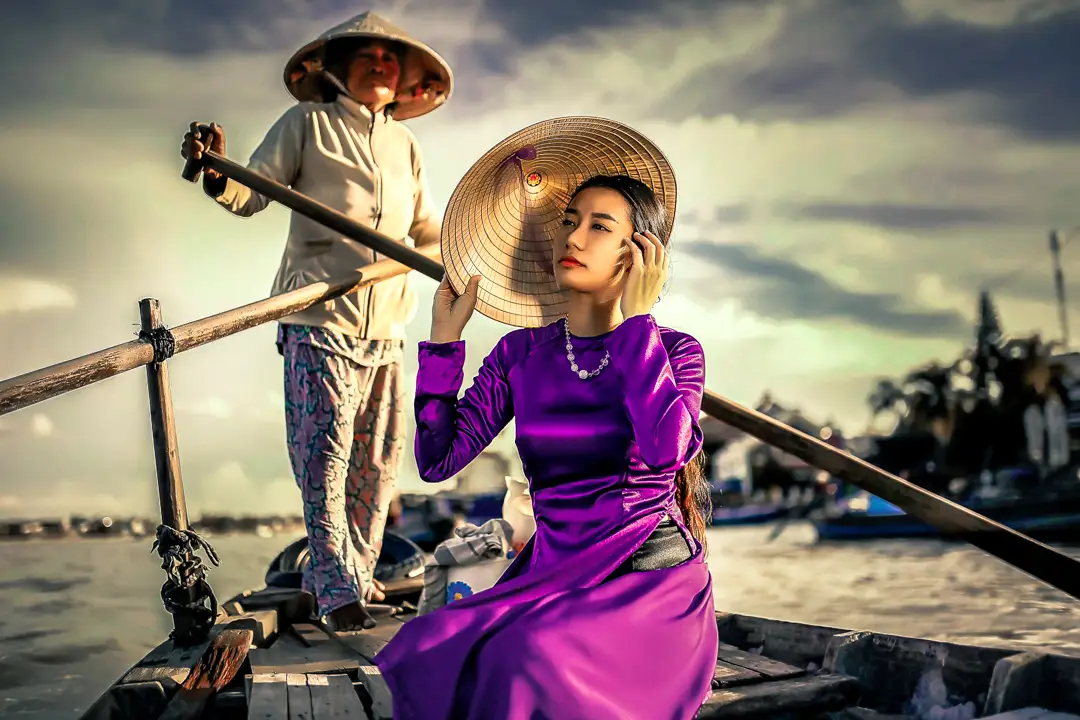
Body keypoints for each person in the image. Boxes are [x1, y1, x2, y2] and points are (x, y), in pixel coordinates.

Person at [374, 118, 718, 719]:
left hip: (645, 584)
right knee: (423, 646)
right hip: (551, 576)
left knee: (526, 659)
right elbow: (436, 460)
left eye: (599, 226)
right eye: (569, 221)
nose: (574, 237)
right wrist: (443, 346)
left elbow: (667, 451)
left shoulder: (678, 351)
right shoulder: (519, 355)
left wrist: (636, 327)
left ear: (639, 255)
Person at [178, 12, 453, 631]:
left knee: (379, 463)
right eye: (367, 57)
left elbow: (429, 232)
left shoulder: (405, 146)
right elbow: (250, 192)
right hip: (318, 314)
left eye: (391, 58)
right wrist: (216, 172)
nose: (381, 65)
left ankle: (361, 571)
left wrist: (464, 246)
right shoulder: (308, 124)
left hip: (387, 327)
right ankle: (334, 591)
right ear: (334, 69)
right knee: (324, 455)